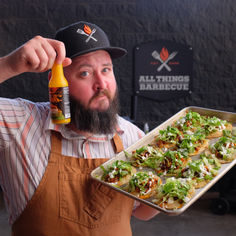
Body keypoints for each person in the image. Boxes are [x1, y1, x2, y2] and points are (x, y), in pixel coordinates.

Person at [0, 21, 159, 235]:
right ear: (58, 81)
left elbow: (142, 212)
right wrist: (9, 65)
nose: (101, 83)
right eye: (85, 73)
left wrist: (171, 179)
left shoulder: (132, 135)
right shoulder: (19, 125)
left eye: (106, 69)